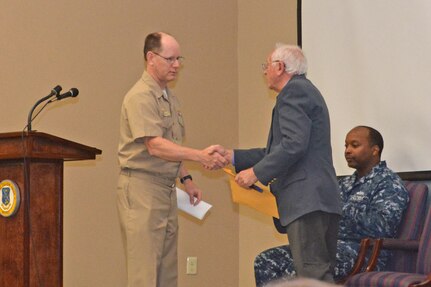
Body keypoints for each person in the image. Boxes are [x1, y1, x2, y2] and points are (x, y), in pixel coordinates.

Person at [116, 32, 227, 287]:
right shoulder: (140, 97)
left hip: (166, 190)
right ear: (151, 58)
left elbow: (171, 146)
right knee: (145, 275)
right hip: (142, 189)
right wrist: (200, 156)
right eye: (170, 59)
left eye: (179, 58)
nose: (177, 65)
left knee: (167, 275)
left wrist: (186, 179)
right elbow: (155, 146)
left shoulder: (168, 97)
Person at [227, 44, 342, 283]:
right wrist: (232, 157)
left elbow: (293, 146)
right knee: (318, 275)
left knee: (313, 277)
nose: (264, 71)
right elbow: (279, 149)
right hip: (318, 198)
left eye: (266, 66)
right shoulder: (305, 91)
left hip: (306, 200)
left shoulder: (293, 93)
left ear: (280, 67)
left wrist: (255, 174)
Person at [254, 126, 409, 285]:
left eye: (354, 145)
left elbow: (381, 227)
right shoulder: (343, 184)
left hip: (364, 253)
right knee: (265, 260)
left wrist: (336, 212)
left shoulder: (389, 183)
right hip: (327, 247)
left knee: (300, 270)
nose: (347, 150)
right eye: (346, 146)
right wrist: (285, 204)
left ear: (375, 150)